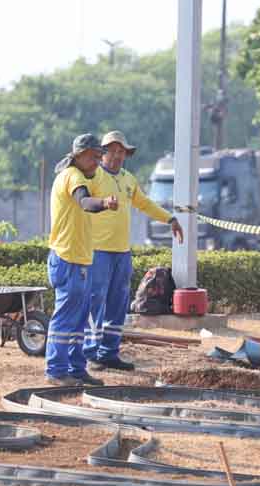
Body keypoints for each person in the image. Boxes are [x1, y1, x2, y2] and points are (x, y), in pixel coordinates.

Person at [83, 130, 184, 371]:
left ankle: (109, 352)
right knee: (95, 301)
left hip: (122, 252)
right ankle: (90, 353)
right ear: (102, 153)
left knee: (118, 303)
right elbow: (82, 202)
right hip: (96, 251)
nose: (117, 156)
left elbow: (145, 203)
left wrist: (169, 219)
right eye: (112, 151)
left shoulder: (128, 179)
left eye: (121, 152)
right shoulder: (93, 176)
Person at [45, 133, 119, 386]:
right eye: (93, 156)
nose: (97, 161)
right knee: (66, 316)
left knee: (79, 318)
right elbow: (85, 202)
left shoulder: (87, 174)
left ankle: (77, 370)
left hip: (82, 258)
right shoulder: (71, 176)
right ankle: (56, 371)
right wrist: (106, 203)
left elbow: (96, 185)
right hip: (67, 257)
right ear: (78, 155)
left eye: (100, 157)